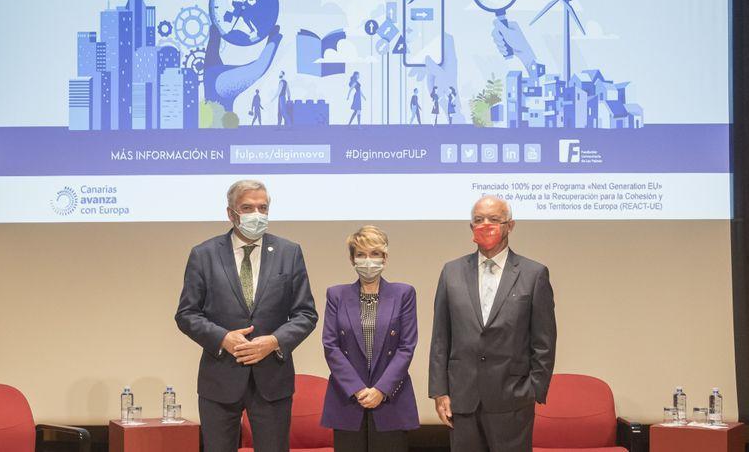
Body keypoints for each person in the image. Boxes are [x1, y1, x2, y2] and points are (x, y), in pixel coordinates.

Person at [175, 180, 319, 452]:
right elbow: (186, 314)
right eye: (248, 207)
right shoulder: (203, 255)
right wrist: (223, 338)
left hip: (272, 380)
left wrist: (274, 341)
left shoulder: (289, 252)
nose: (257, 214)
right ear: (231, 213)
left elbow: (306, 314)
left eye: (262, 207)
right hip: (219, 379)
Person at [428, 195, 556, 451]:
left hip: (513, 401)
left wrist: (533, 389)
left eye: (494, 219)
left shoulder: (534, 274)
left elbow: (544, 341)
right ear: (471, 227)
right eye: (478, 220)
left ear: (510, 225)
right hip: (463, 400)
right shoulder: (451, 272)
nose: (485, 225)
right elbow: (441, 337)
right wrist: (440, 391)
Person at [321, 226, 419, 451]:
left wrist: (380, 390)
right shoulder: (336, 294)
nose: (368, 260)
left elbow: (406, 347)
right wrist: (357, 388)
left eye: (375, 254)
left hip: (390, 399)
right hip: (348, 399)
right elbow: (331, 345)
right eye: (361, 255)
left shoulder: (404, 293)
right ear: (352, 259)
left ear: (385, 258)